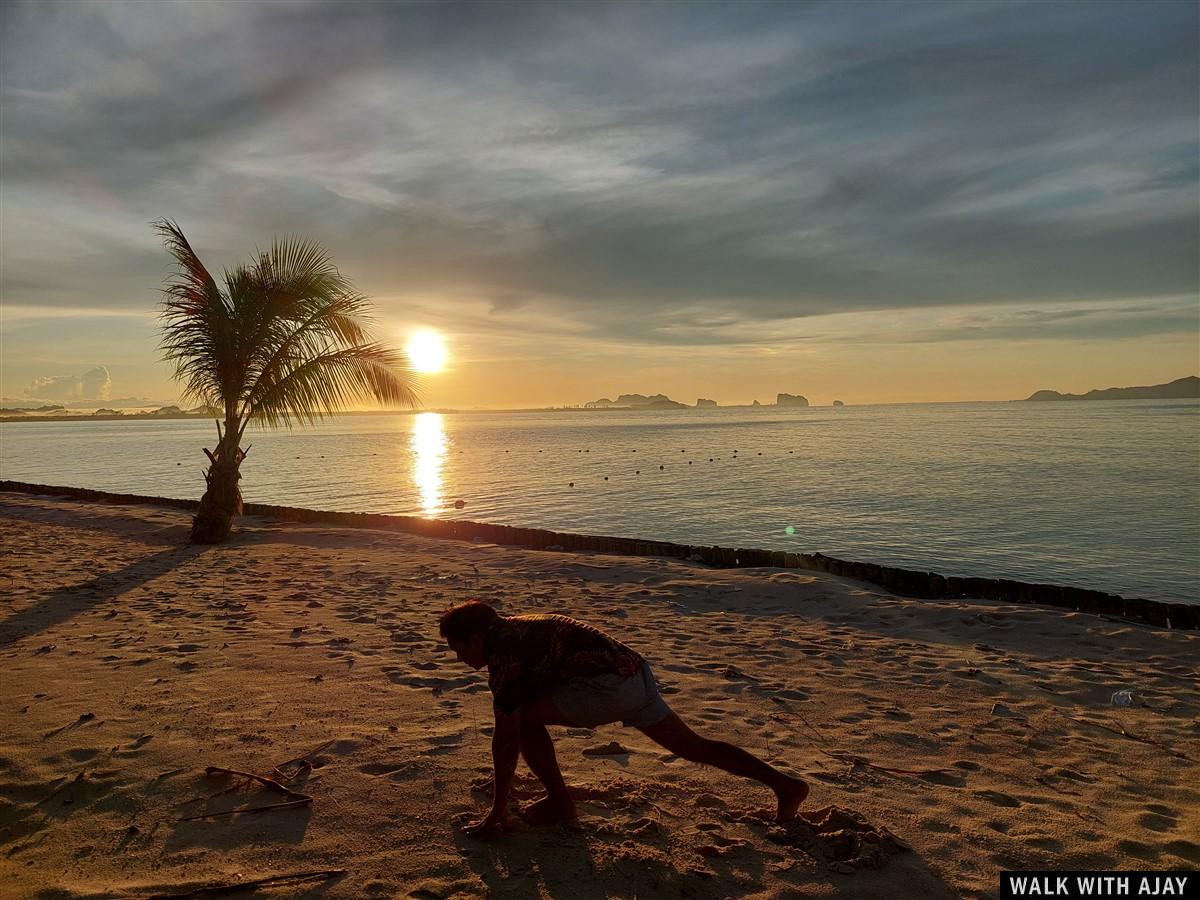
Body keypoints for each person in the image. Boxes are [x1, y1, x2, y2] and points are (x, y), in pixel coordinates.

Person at [439, 600, 809, 837]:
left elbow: (505, 738)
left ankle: (559, 802)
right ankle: (785, 786)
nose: (460, 659)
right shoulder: (518, 628)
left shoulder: (506, 653)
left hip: (609, 687)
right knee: (693, 747)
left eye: (459, 649)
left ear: (477, 637)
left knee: (523, 721)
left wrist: (497, 811)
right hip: (636, 674)